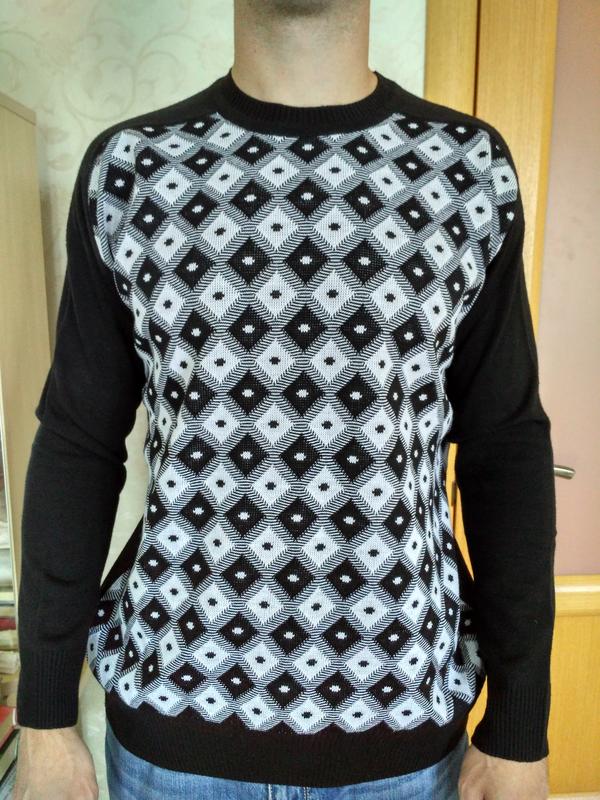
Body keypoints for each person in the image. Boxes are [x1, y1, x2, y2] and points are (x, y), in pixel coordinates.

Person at [13, 0, 557, 798]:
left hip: (403, 741)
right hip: (173, 739)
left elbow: (505, 447)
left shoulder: (466, 168)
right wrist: (44, 715)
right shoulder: (134, 169)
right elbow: (77, 445)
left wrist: (519, 722)